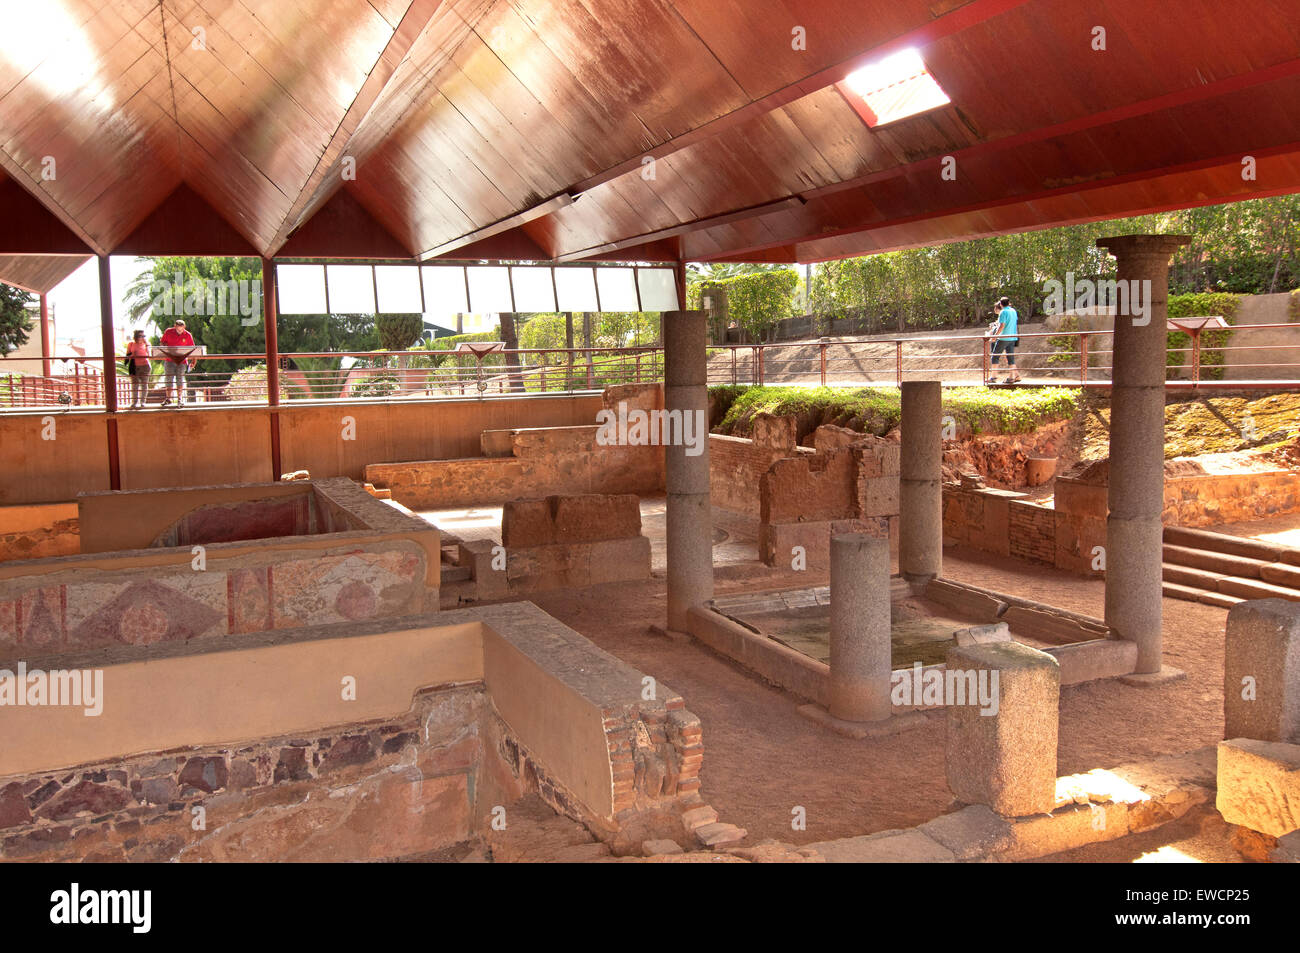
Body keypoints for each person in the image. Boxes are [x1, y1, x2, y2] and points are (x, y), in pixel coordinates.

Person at [159, 319, 195, 406]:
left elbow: (193, 349)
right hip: (169, 360)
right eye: (178, 329)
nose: (179, 331)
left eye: (181, 329)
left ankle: (180, 399)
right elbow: (162, 342)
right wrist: (166, 348)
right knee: (168, 379)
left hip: (182, 361)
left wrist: (194, 361)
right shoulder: (168, 332)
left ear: (184, 327)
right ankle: (168, 399)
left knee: (180, 380)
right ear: (174, 326)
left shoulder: (188, 335)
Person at [989, 296, 1020, 384]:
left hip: (1003, 337)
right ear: (1008, 303)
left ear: (1001, 304)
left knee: (995, 356)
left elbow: (1002, 325)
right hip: (1012, 337)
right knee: (1010, 358)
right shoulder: (1013, 311)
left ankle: (993, 377)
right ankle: (1012, 377)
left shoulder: (1003, 312)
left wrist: (995, 336)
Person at [125, 330, 151, 409]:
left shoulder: (146, 344)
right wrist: (132, 355)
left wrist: (147, 345)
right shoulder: (131, 344)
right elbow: (127, 355)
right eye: (140, 336)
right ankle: (134, 402)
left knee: (144, 385)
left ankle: (143, 402)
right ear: (136, 336)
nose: (142, 338)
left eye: (143, 336)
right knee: (135, 385)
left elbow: (149, 355)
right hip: (134, 366)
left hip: (145, 366)